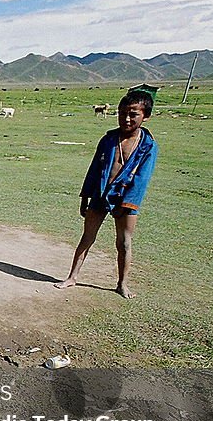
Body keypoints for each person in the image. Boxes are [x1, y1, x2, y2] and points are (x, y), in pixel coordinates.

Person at [54, 90, 158, 298]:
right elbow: (94, 169)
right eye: (122, 113)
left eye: (133, 114)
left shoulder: (148, 146)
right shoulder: (109, 139)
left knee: (124, 242)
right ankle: (72, 277)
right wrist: (85, 197)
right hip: (100, 193)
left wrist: (127, 204)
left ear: (145, 116)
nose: (126, 119)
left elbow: (142, 179)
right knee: (87, 237)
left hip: (126, 199)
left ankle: (122, 283)